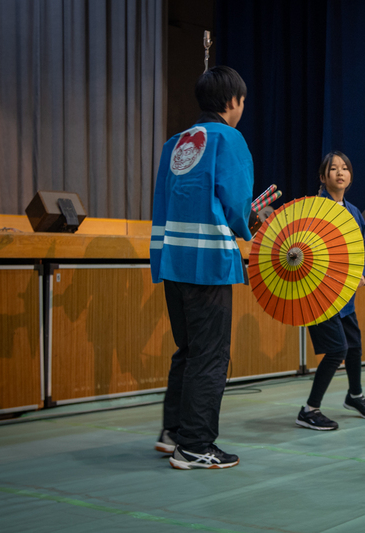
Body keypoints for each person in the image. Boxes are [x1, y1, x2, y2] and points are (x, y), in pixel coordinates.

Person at [150, 66, 253, 469]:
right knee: (211, 357)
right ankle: (195, 446)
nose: (242, 108)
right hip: (208, 260)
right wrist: (249, 222)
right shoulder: (229, 138)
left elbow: (163, 198)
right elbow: (236, 203)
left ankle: (173, 431)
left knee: (188, 351)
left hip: (171, 258)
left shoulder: (174, 143)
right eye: (242, 101)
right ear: (232, 102)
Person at [295, 151, 365, 430]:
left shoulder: (354, 212)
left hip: (345, 297)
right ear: (322, 177)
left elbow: (363, 250)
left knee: (354, 346)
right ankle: (309, 409)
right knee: (337, 349)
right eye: (333, 169)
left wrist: (363, 276)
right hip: (319, 295)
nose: (340, 172)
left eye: (345, 168)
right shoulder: (313, 208)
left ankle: (354, 395)